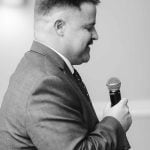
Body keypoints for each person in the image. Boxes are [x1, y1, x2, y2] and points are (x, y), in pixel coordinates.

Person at [0, 0, 132, 149]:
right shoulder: (45, 82)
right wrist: (115, 123)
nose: (96, 35)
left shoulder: (38, 65)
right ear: (60, 27)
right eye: (89, 27)